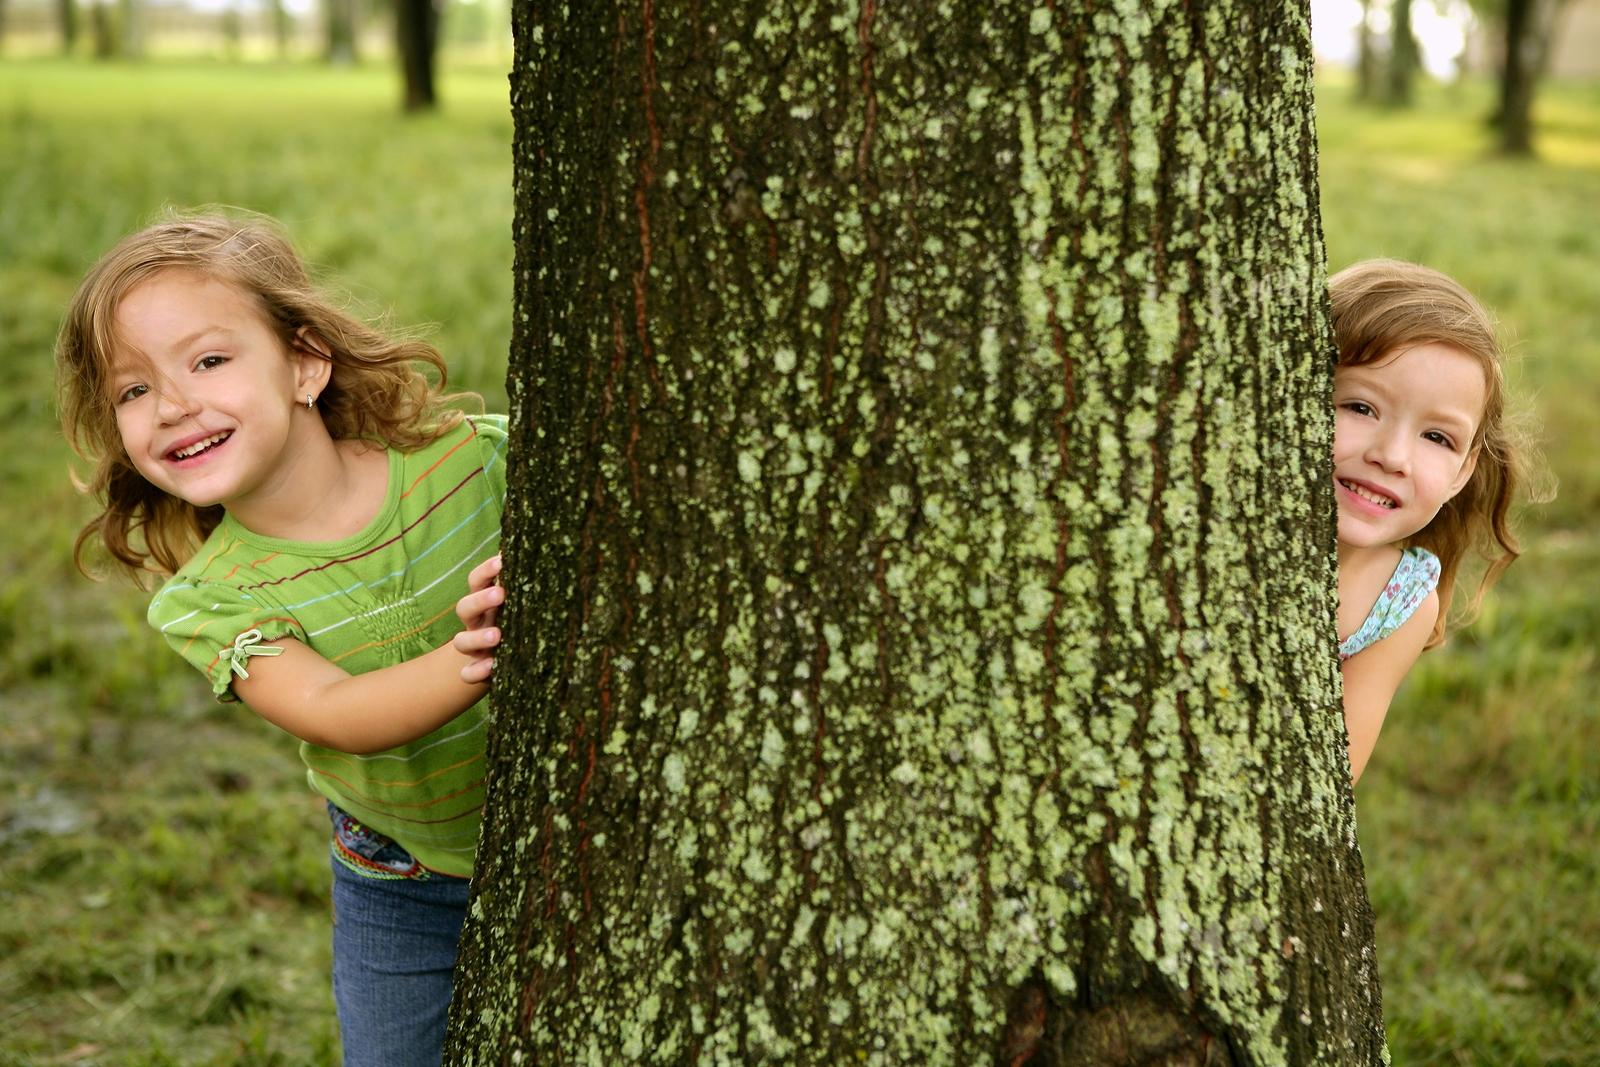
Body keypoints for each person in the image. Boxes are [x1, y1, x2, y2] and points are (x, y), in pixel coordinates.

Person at [57, 210, 509, 1067]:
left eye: (210, 360)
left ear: (305, 362)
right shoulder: (212, 599)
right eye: (133, 390)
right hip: (404, 882)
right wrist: (474, 656)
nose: (175, 405)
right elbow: (331, 707)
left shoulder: (469, 465)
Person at [1329, 259, 1527, 783]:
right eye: (1360, 407)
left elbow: (1332, 771)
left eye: (1436, 438)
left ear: (1464, 470)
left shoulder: (1403, 600)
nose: (1393, 456)